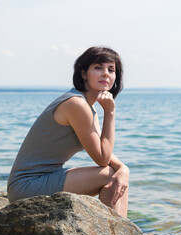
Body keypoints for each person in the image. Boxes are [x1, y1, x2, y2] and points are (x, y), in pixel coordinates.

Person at [7, 46, 129, 218]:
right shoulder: (76, 104)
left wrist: (124, 168)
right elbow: (102, 158)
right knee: (110, 176)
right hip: (27, 186)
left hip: (43, 179)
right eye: (98, 68)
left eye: (111, 70)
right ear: (84, 73)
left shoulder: (87, 106)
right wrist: (109, 113)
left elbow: (103, 150)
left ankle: (121, 233)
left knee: (118, 175)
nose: (105, 74)